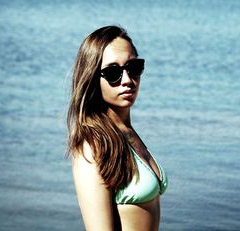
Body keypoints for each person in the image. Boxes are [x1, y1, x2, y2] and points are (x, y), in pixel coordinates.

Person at [66, 25, 168, 231]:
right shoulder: (92, 147)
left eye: (134, 68)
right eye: (113, 73)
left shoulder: (127, 132)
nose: (128, 80)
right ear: (92, 78)